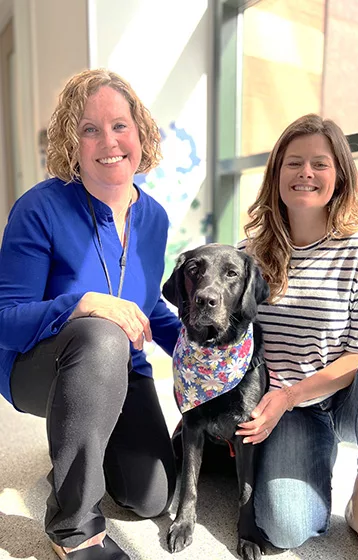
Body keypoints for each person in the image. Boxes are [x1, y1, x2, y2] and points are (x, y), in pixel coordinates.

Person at [0, 69, 181, 559]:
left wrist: (201, 348)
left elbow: (145, 310)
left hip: (120, 369)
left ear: (139, 132)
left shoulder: (155, 218)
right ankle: (74, 531)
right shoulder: (39, 208)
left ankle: (76, 445)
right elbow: (4, 318)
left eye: (120, 125)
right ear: (71, 142)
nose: (109, 141)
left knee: (151, 497)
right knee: (102, 335)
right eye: (90, 129)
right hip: (38, 367)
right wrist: (79, 303)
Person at [235, 114, 358, 560]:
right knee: (284, 528)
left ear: (339, 175)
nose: (306, 174)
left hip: (348, 398)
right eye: (293, 163)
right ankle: (311, 465)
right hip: (285, 410)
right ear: (276, 173)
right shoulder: (247, 254)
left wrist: (290, 394)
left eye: (320, 163)